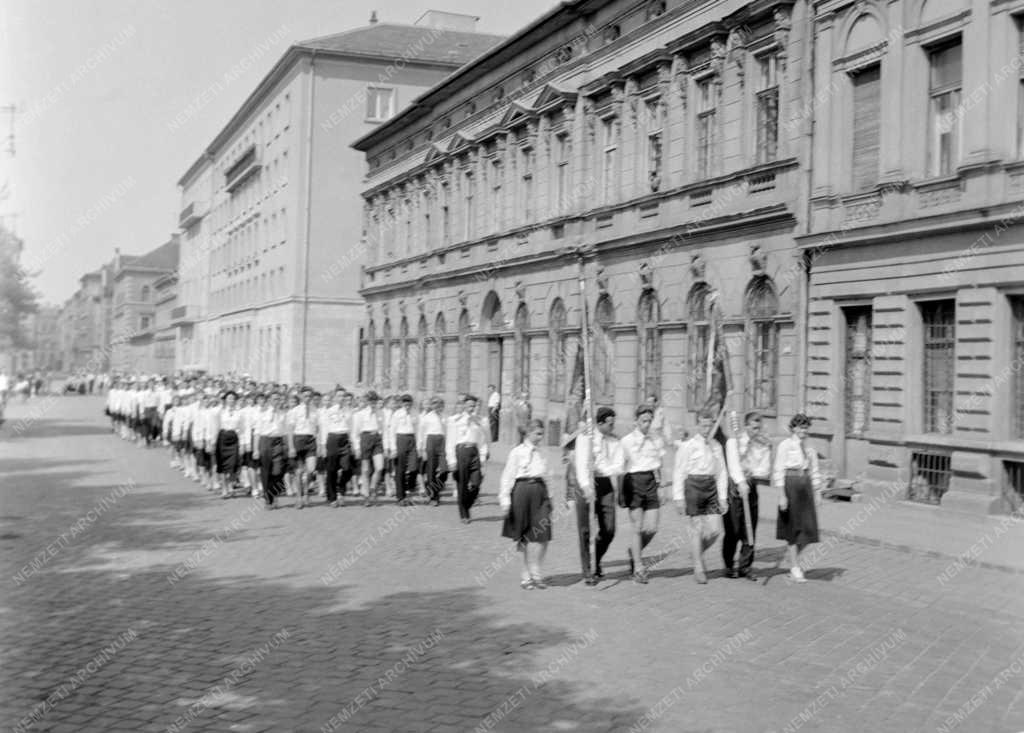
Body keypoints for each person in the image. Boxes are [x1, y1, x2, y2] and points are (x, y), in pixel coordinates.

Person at [672, 409, 729, 584]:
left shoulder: (716, 446)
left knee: (715, 530)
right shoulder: (687, 446)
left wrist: (723, 497)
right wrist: (679, 498)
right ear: (697, 425)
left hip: (710, 487)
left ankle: (697, 553)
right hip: (693, 486)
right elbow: (679, 471)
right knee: (696, 528)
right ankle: (698, 566)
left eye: (709, 425)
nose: (706, 429)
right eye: (703, 425)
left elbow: (721, 472)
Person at [572, 407, 625, 585]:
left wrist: (602, 469)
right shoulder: (585, 437)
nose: (613, 426)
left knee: (609, 529)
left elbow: (619, 466)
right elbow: (580, 464)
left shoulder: (614, 441)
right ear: (600, 423)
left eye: (613, 423)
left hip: (604, 484)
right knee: (585, 530)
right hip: (586, 484)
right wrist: (586, 487)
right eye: (610, 423)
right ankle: (588, 570)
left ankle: (596, 558)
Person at [499, 419, 552, 590]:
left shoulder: (543, 453)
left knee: (543, 535)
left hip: (540, 491)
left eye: (542, 434)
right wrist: (505, 500)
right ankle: (526, 575)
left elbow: (548, 475)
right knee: (524, 537)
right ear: (528, 433)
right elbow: (507, 476)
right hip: (521, 492)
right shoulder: (517, 452)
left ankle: (536, 570)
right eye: (537, 433)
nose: (540, 437)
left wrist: (550, 497)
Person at [773, 414, 823, 583]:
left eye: (806, 427)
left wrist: (817, 492)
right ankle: (795, 568)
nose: (804, 430)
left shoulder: (809, 448)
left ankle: (791, 556)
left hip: (805, 487)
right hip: (791, 485)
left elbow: (815, 470)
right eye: (801, 427)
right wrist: (782, 496)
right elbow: (778, 470)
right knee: (793, 528)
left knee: (809, 528)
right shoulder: (785, 445)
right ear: (793, 428)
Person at [722, 411, 772, 579]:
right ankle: (729, 564)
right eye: (753, 428)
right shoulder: (734, 441)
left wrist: (766, 451)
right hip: (734, 487)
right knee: (733, 529)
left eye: (759, 428)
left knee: (749, 528)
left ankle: (745, 566)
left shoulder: (760, 443)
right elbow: (732, 464)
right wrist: (740, 480)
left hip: (750, 485)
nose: (756, 431)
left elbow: (763, 470)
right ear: (746, 426)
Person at [619, 404, 666, 583]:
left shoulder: (656, 439)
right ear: (636, 421)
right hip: (634, 482)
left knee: (652, 527)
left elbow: (660, 464)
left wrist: (662, 487)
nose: (646, 424)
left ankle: (634, 551)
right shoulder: (627, 441)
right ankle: (638, 567)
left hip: (651, 482)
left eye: (649, 420)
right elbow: (620, 464)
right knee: (637, 527)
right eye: (643, 421)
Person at [446, 394, 489, 523]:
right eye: (469, 405)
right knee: (462, 484)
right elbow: (450, 441)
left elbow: (482, 441)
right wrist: (452, 460)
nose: (471, 408)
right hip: (461, 451)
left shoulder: (479, 420)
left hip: (474, 451)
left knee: (476, 483)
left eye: (473, 406)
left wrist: (482, 457)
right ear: (464, 406)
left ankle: (467, 503)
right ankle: (464, 513)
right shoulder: (455, 420)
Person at [254, 392, 290, 509]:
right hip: (265, 441)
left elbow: (285, 432)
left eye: (279, 399)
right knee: (266, 471)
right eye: (274, 399)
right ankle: (268, 499)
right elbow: (257, 432)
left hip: (279, 442)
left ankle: (274, 494)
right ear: (269, 400)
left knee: (278, 471)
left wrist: (287, 446)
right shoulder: (262, 413)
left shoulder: (282, 414)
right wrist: (255, 449)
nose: (277, 401)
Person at [320, 389, 354, 507]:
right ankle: (332, 497)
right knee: (332, 470)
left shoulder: (349, 411)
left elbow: (352, 428)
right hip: (333, 438)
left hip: (345, 439)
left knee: (348, 468)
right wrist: (323, 446)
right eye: (339, 396)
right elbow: (324, 428)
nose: (342, 398)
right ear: (334, 397)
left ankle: (341, 489)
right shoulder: (329, 411)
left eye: (344, 396)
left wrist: (353, 443)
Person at [287, 388, 319, 509]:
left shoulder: (315, 411)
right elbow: (290, 430)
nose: (308, 398)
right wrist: (291, 447)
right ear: (300, 396)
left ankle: (306, 493)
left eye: (310, 396)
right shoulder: (294, 411)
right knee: (299, 472)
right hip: (298, 439)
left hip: (311, 440)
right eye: (305, 396)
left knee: (311, 469)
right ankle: (300, 497)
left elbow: (317, 428)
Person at [352, 391, 385, 506]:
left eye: (375, 401)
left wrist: (384, 442)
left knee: (380, 467)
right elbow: (355, 433)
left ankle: (372, 489)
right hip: (365, 439)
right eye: (371, 401)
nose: (373, 403)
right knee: (365, 470)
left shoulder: (381, 413)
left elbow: (383, 429)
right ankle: (366, 495)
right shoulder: (359, 414)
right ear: (367, 401)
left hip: (377, 440)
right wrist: (356, 448)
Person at [386, 394, 419, 506]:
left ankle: (408, 490)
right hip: (400, 439)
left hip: (412, 439)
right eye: (405, 402)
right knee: (400, 470)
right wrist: (393, 448)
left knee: (414, 467)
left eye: (409, 402)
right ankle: (401, 497)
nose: (407, 404)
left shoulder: (415, 413)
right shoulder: (397, 414)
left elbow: (418, 430)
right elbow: (392, 431)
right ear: (402, 403)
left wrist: (419, 446)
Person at [417, 396, 447, 506]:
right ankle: (433, 496)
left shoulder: (444, 417)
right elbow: (421, 434)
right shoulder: (427, 417)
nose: (437, 407)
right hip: (430, 441)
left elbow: (447, 432)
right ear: (432, 406)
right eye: (435, 404)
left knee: (444, 470)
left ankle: (434, 488)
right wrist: (422, 449)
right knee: (431, 470)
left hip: (442, 442)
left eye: (439, 405)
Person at [216, 390, 245, 499]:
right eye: (229, 398)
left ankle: (231, 486)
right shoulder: (219, 411)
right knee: (223, 465)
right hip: (223, 437)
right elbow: (214, 426)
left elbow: (242, 429)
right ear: (225, 400)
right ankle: (224, 489)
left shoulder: (240, 412)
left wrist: (242, 444)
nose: (231, 401)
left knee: (233, 464)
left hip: (234, 438)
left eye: (233, 398)